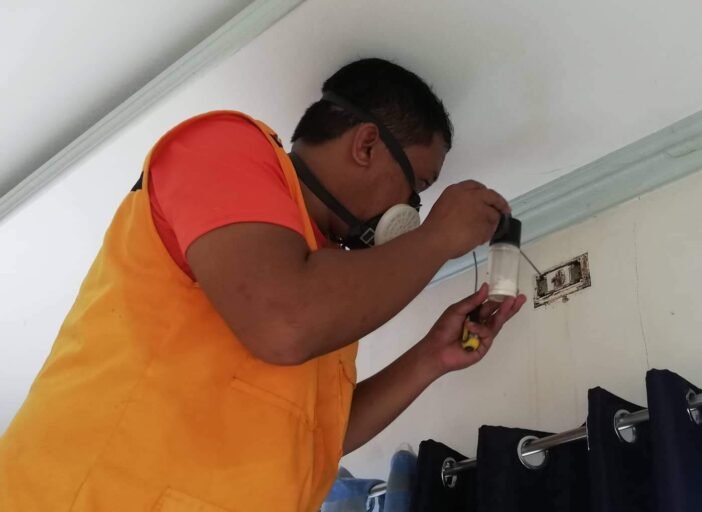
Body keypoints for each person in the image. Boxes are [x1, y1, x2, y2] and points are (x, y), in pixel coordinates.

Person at [0, 58, 526, 511]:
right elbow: (284, 324)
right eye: (417, 188)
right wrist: (437, 238)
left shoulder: (327, 279)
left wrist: (431, 357)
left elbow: (320, 441)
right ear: (367, 145)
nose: (410, 210)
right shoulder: (224, 145)